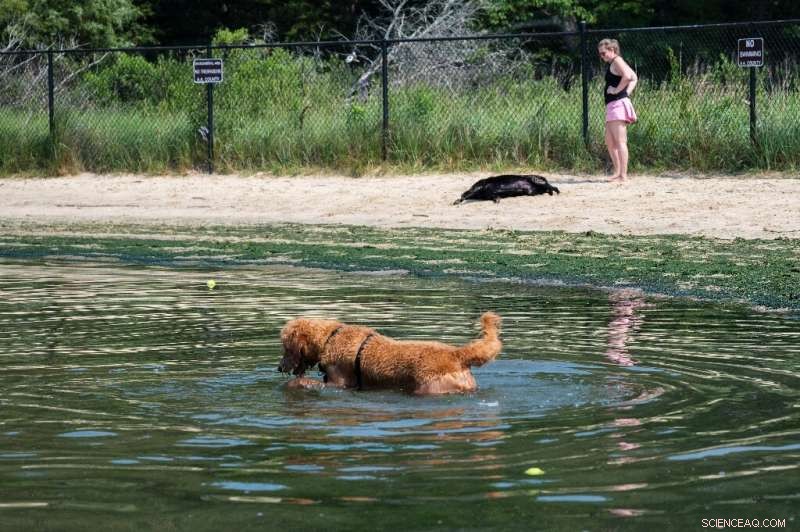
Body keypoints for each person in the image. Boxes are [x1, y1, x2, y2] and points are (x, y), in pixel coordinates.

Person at [598, 38, 638, 182]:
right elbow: (634, 77)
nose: (602, 56)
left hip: (617, 105)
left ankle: (623, 175)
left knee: (620, 141)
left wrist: (617, 91)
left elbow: (629, 77)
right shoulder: (614, 63)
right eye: (600, 54)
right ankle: (617, 172)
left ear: (612, 50)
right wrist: (625, 92)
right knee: (610, 142)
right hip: (612, 105)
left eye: (603, 53)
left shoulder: (617, 60)